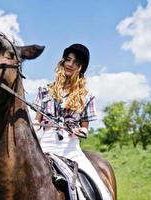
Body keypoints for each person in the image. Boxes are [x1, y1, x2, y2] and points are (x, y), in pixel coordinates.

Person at [33, 43, 112, 200]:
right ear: (63, 61)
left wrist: (81, 132)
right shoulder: (45, 90)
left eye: (76, 62)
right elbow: (37, 122)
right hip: (45, 146)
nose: (70, 64)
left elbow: (85, 128)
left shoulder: (87, 96)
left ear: (81, 68)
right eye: (68, 60)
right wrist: (31, 129)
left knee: (100, 189)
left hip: (71, 149)